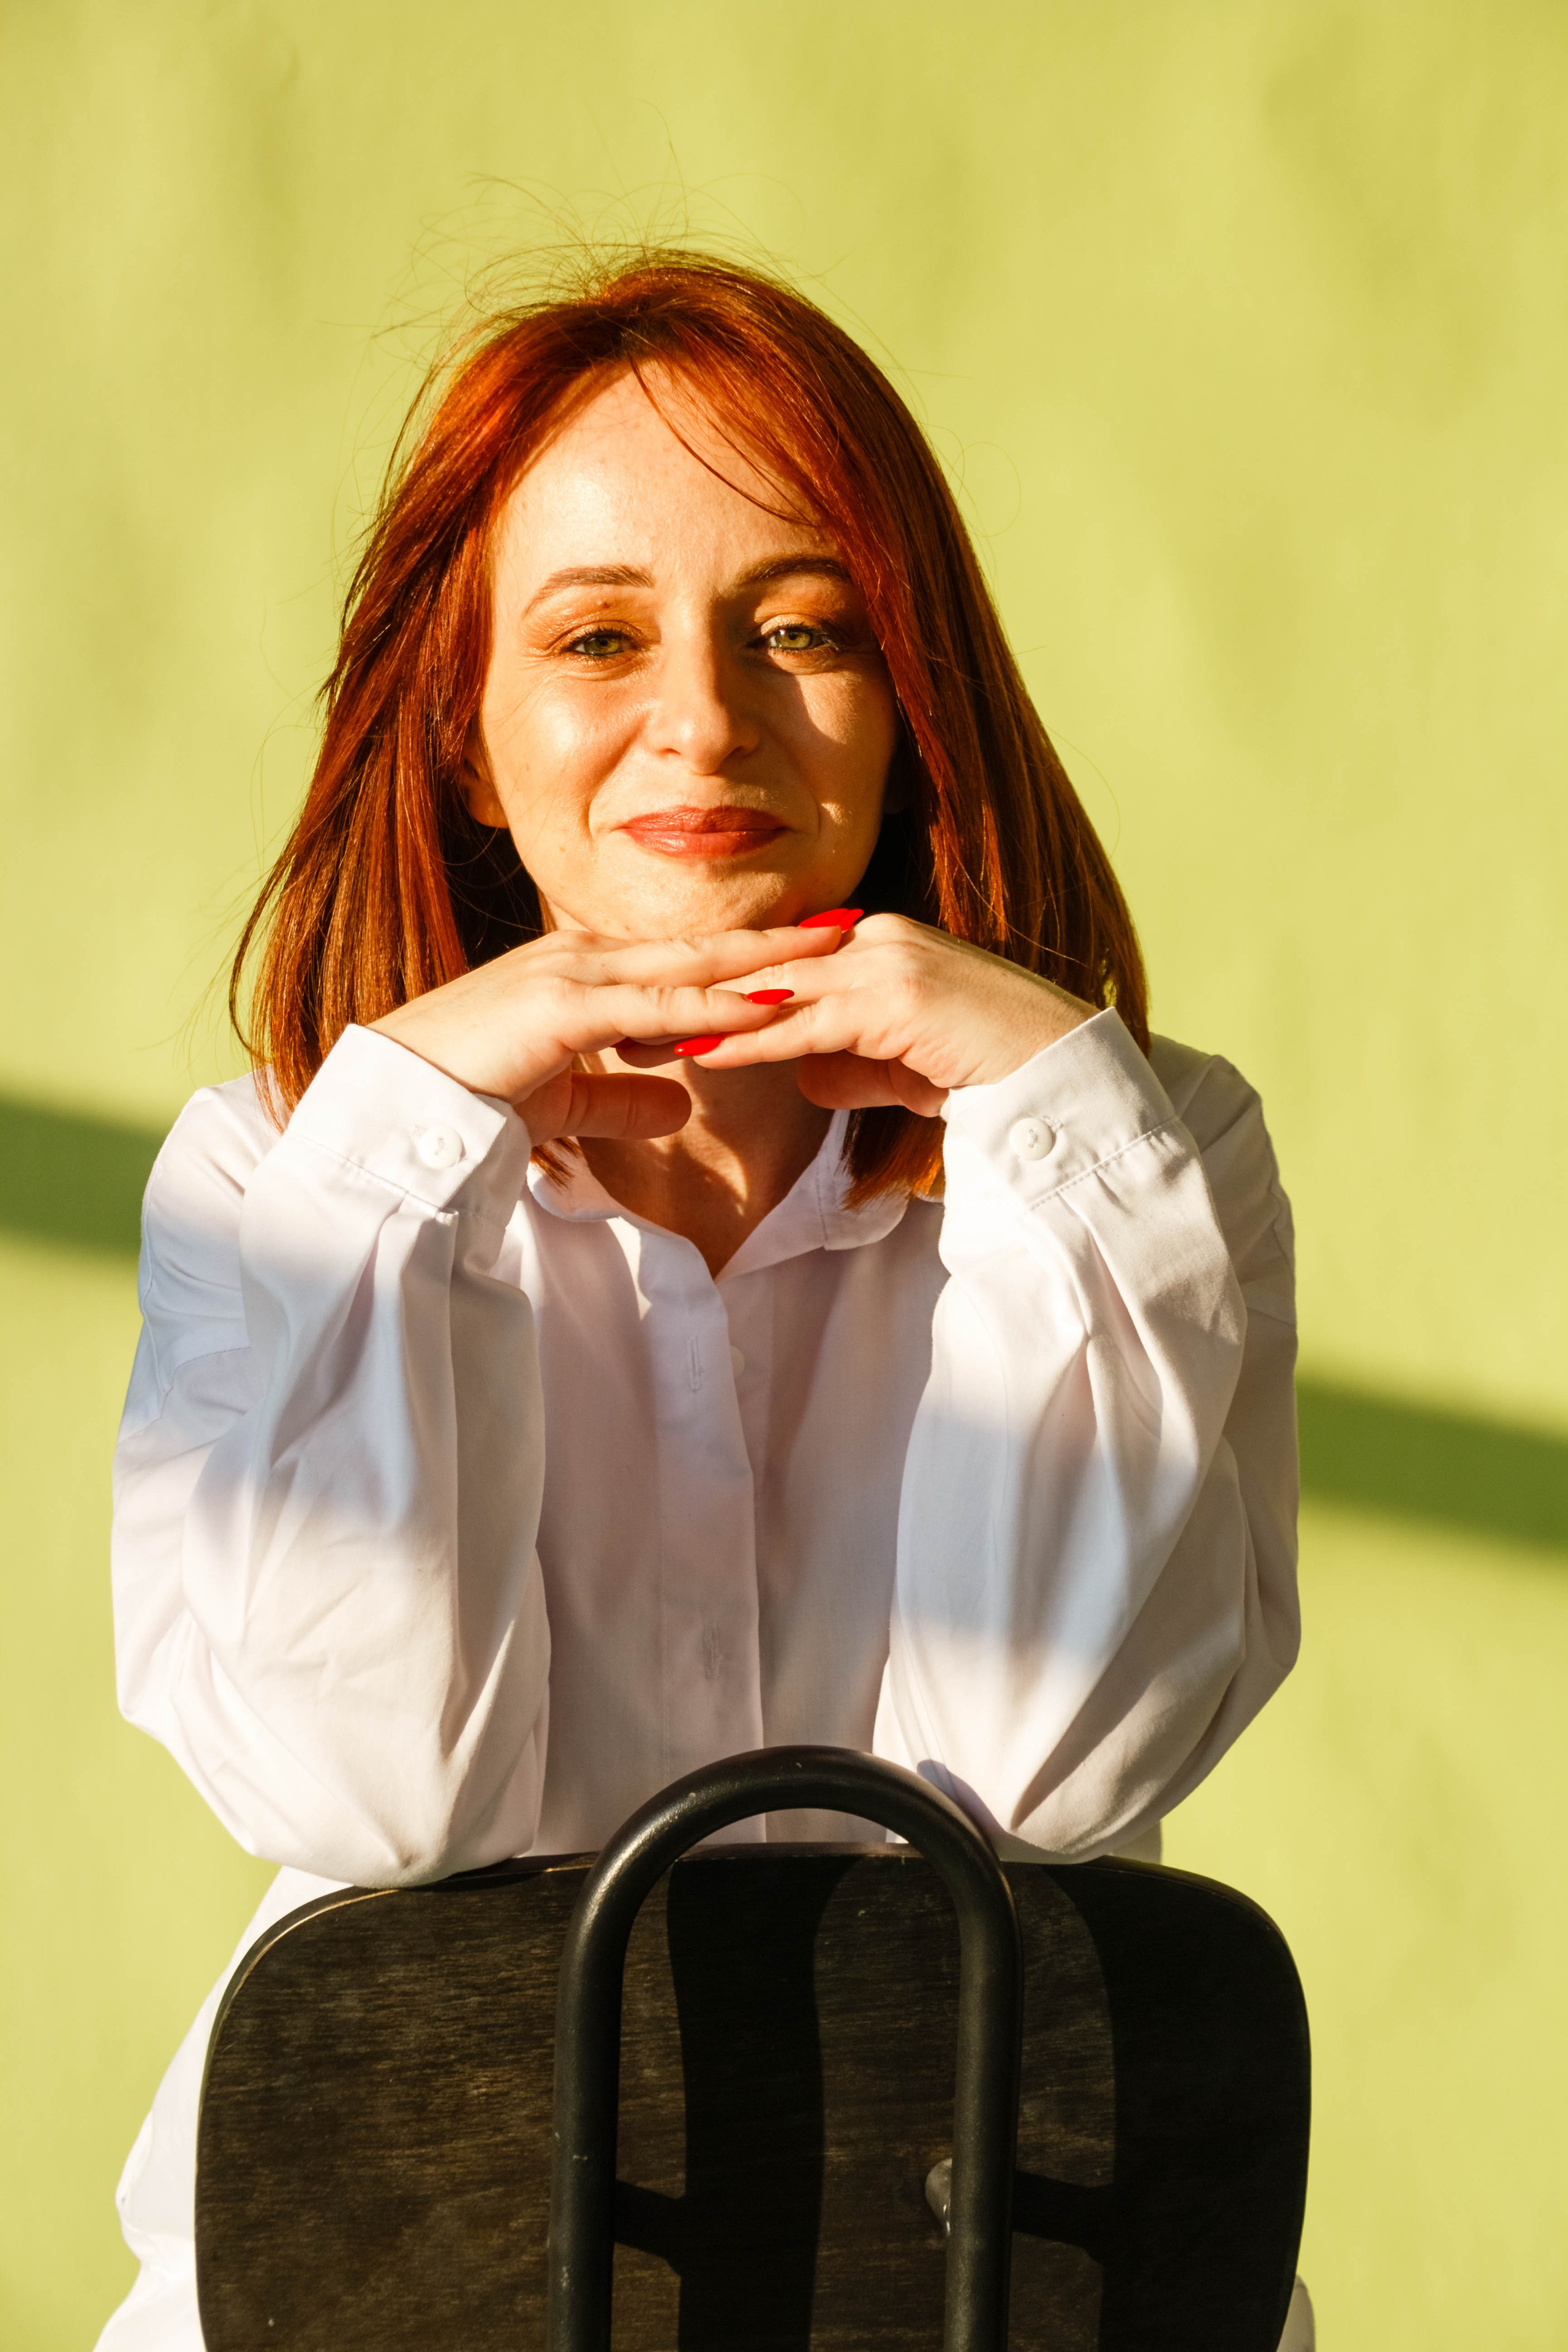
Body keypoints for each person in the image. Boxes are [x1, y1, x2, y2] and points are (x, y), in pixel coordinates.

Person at [99, 251, 1305, 2350]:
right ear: (472, 742)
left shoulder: (1143, 1155)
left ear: (912, 699)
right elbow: (369, 1798)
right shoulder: (276, 1169)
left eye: (805, 628)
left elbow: (1055, 1786)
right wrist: (405, 1142)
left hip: (998, 2280)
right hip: (415, 2278)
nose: (704, 722)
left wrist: (1046, 1111)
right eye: (594, 636)